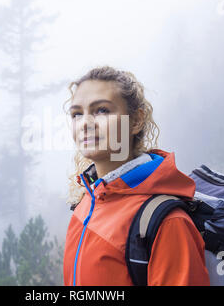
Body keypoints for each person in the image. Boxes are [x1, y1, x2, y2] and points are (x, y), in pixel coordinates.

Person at [62, 65, 209, 286]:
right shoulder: (85, 204)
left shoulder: (168, 222)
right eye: (77, 114)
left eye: (102, 110)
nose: (85, 124)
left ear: (136, 120)